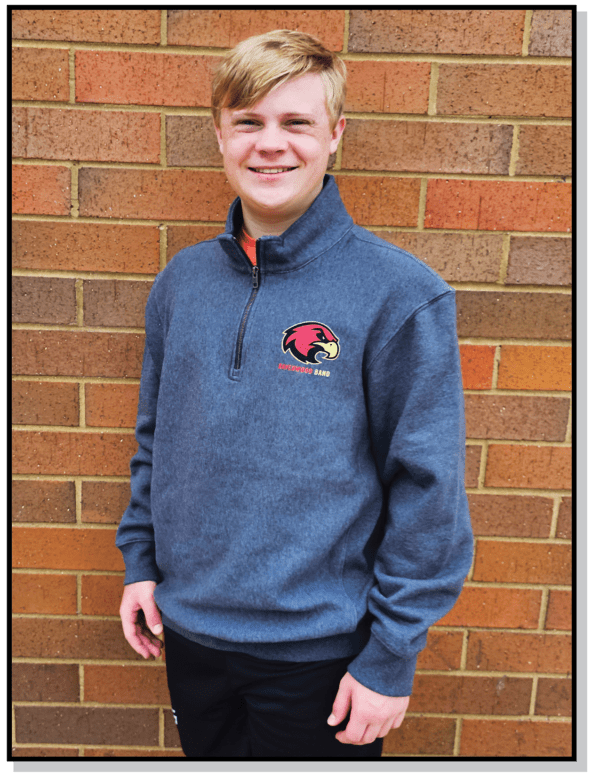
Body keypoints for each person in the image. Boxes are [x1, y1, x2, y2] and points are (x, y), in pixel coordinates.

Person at [116, 29, 473, 759]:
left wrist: (389, 657)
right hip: (191, 637)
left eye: (296, 122)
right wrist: (141, 562)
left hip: (320, 658)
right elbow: (158, 439)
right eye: (248, 121)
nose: (269, 144)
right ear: (219, 134)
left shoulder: (400, 296)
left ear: (335, 135)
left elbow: (429, 494)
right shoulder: (181, 285)